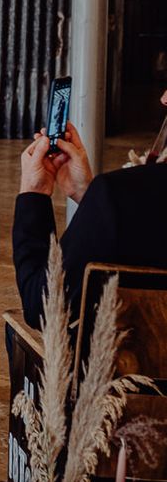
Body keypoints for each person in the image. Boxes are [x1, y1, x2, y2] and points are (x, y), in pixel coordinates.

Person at [13, 117, 167, 329]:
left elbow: (44, 308)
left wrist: (33, 194)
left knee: (15, 333)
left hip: (131, 358)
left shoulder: (122, 193)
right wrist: (91, 200)